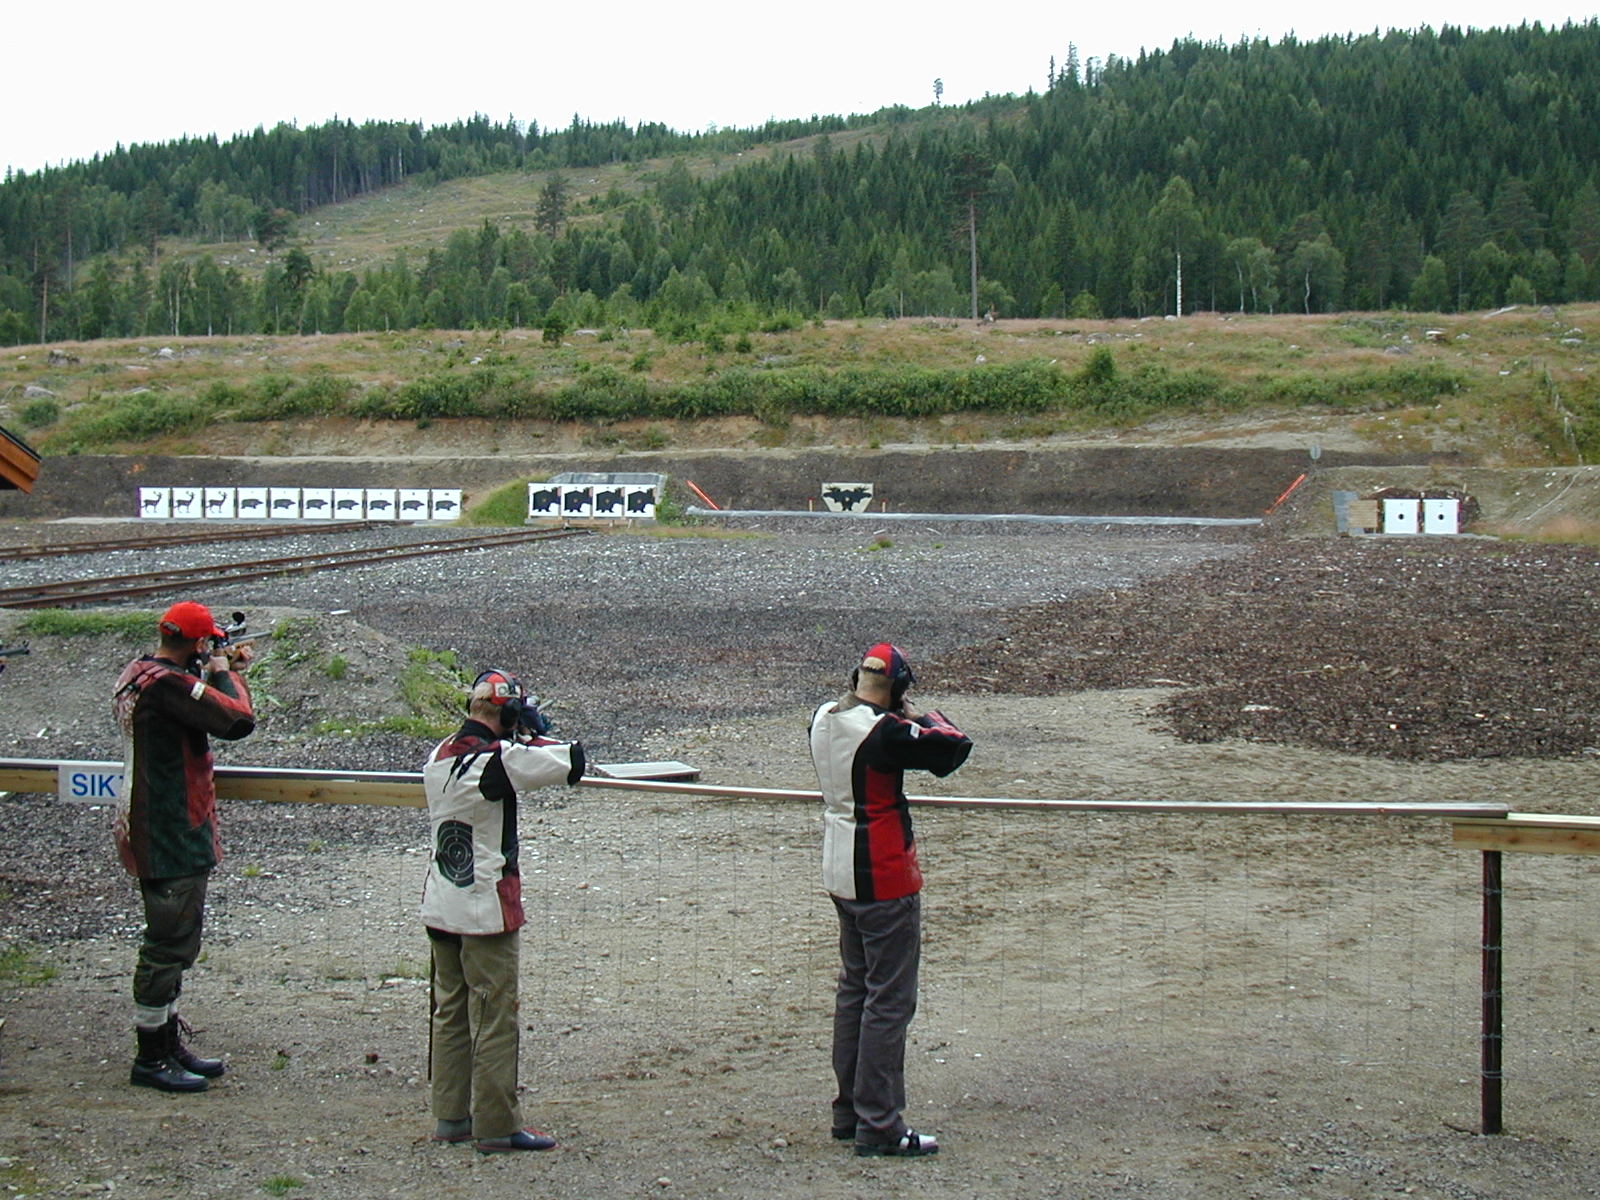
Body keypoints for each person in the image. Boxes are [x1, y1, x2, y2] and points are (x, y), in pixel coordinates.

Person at [809, 642, 972, 1158]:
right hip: (882, 871)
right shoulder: (888, 732)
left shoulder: (824, 716)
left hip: (840, 866)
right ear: (897, 687)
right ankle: (879, 1123)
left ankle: (850, 1112)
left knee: (855, 992)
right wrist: (919, 713)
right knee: (889, 1001)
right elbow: (952, 747)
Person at [421, 668, 586, 1154]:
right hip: (486, 904)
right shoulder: (496, 759)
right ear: (508, 712)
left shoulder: (442, 750)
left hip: (442, 897)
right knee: (495, 1014)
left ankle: (451, 1116)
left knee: (450, 1011)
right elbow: (571, 761)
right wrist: (537, 731)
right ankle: (496, 1124)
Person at [112, 600, 256, 1093]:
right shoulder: (171, 684)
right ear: (197, 644)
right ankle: (152, 1055)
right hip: (170, 828)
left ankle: (167, 1043)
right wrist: (225, 674)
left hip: (156, 823)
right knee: (168, 944)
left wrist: (218, 672)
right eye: (208, 644)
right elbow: (237, 720)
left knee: (174, 941)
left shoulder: (141, 673)